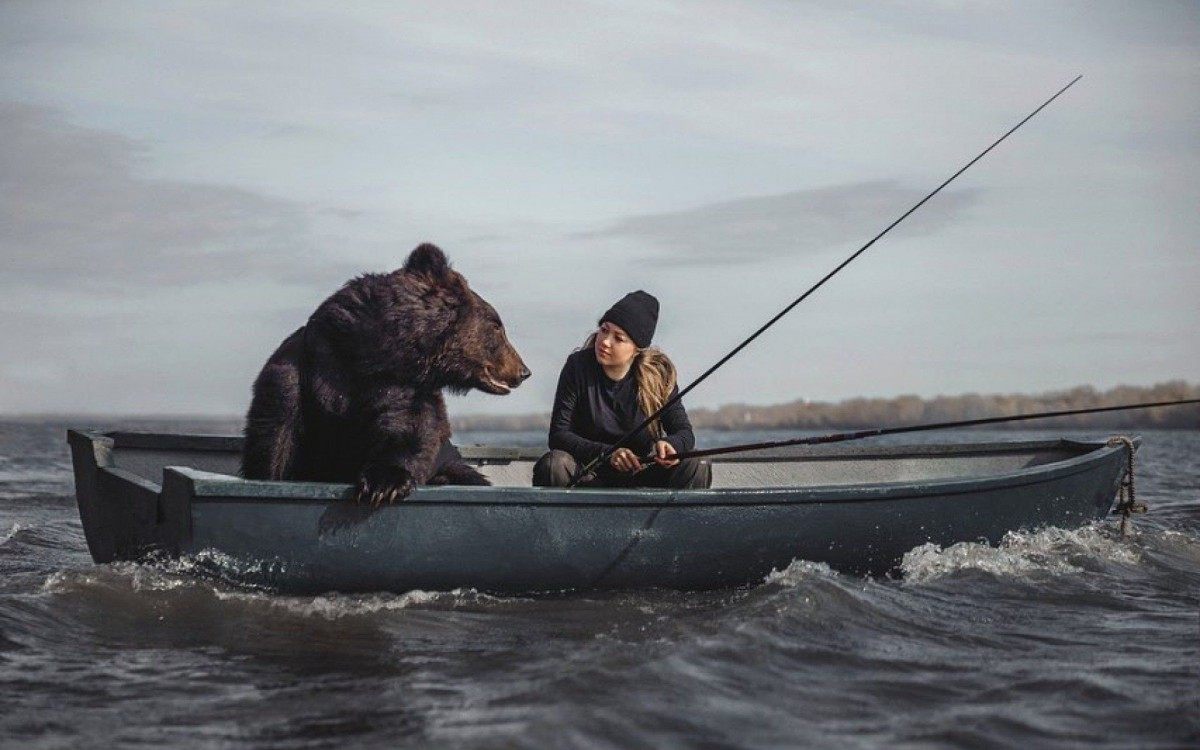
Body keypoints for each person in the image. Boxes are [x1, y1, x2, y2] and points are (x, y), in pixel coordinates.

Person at [533, 291, 712, 490]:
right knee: (554, 464)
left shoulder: (659, 375)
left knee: (697, 463)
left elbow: (684, 432)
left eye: (618, 338)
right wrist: (607, 454)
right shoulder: (577, 366)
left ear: (637, 349)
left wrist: (672, 445)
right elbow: (558, 435)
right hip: (589, 474)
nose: (605, 341)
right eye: (604, 330)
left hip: (643, 475)